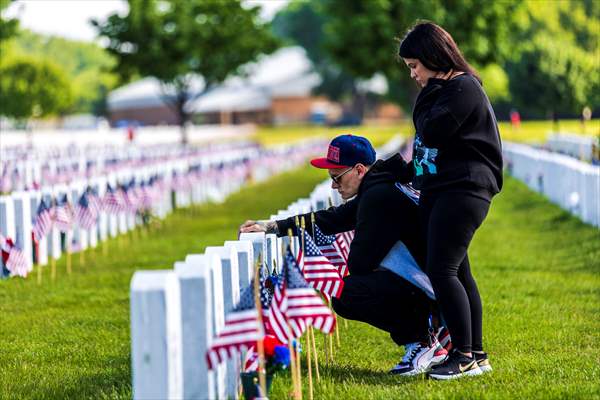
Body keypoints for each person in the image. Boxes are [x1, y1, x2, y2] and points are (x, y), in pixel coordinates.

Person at [240, 134, 448, 376]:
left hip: (430, 289)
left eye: (337, 178)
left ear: (359, 170)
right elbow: (335, 218)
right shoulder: (380, 187)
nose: (333, 186)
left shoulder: (377, 196)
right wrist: (274, 227)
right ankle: (427, 333)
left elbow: (359, 263)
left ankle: (421, 341)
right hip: (430, 283)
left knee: (346, 293)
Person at [381, 21, 503, 379]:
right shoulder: (446, 89)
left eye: (415, 66)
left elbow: (430, 130)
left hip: (463, 189)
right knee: (459, 272)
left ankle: (462, 355)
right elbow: (425, 149)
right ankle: (476, 354)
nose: (414, 75)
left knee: (442, 270)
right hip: (446, 188)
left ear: (434, 57)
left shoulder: (462, 87)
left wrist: (430, 89)